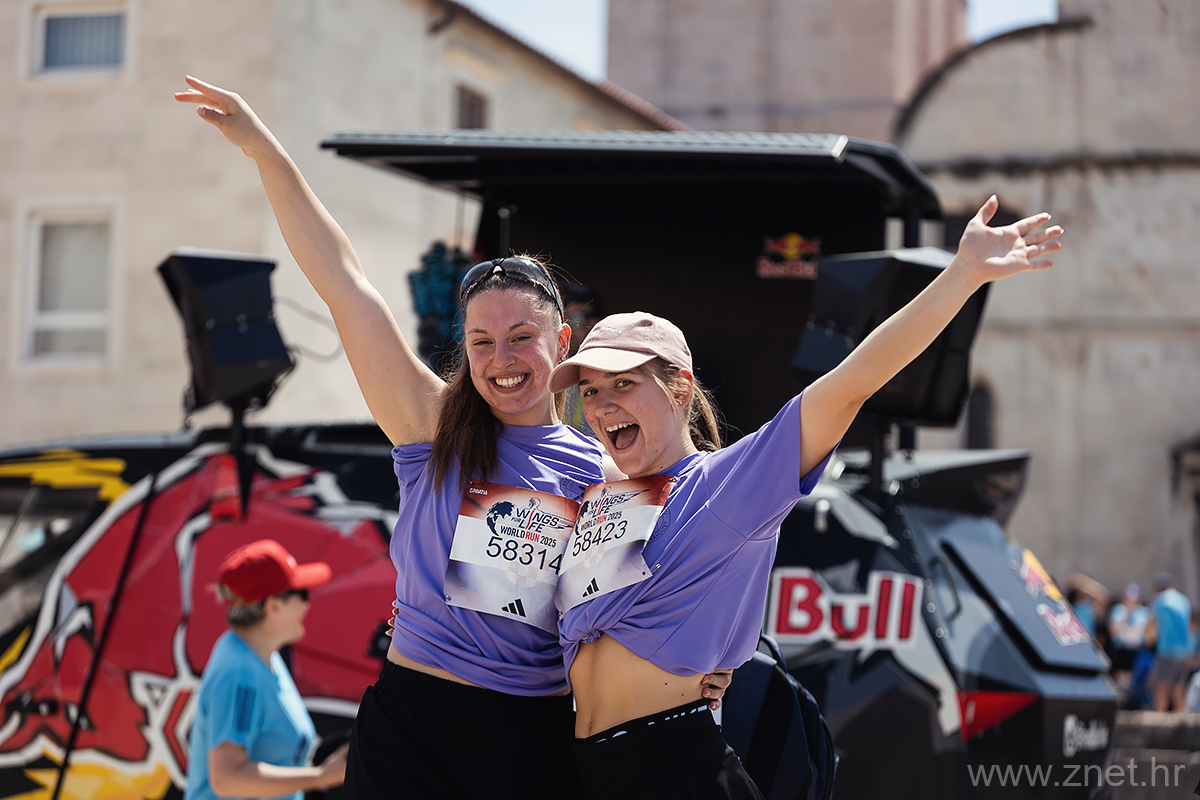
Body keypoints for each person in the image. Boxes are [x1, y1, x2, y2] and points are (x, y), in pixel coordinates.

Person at [175, 77, 729, 799]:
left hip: (525, 740)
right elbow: (343, 281)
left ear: (563, 341)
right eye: (481, 341)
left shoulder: (609, 470)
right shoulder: (432, 425)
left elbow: (654, 602)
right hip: (408, 727)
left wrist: (705, 672)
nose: (502, 360)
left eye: (522, 337)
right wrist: (265, 151)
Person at [550, 197, 1062, 799]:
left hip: (674, 768)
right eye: (590, 390)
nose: (602, 405)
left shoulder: (728, 482)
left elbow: (852, 383)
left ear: (680, 389)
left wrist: (963, 275)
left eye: (624, 383)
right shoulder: (594, 490)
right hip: (585, 768)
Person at [185, 540, 346, 800]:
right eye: (302, 595)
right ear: (273, 607)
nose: (307, 605)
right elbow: (227, 778)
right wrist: (320, 777)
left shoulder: (261, 653)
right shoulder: (239, 673)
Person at [1148, 573, 1193, 712]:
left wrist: (1149, 640)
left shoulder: (1160, 600)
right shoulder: (1183, 600)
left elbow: (1152, 624)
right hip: (1185, 650)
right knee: (1178, 686)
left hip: (1167, 649)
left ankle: (1159, 717)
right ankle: (1180, 717)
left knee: (1161, 685)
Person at [1109, 583, 1151, 695]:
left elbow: (1148, 631)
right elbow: (1113, 630)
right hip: (1121, 648)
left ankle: (1129, 696)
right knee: (1119, 674)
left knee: (1133, 676)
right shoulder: (1119, 610)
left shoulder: (1143, 612)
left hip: (1136, 649)